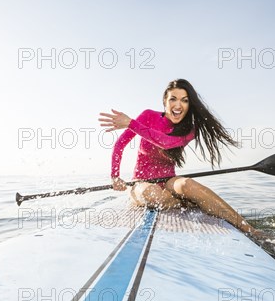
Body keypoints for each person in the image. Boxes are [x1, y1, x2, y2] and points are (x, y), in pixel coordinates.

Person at [98, 78, 260, 236]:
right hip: (142, 182)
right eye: (173, 99)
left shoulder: (189, 130)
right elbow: (120, 144)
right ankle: (185, 200)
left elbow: (165, 143)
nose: (178, 105)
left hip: (169, 180)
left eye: (184, 100)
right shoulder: (147, 116)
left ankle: (250, 229)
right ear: (165, 101)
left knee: (188, 184)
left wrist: (131, 123)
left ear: (189, 105)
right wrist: (115, 176)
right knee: (153, 195)